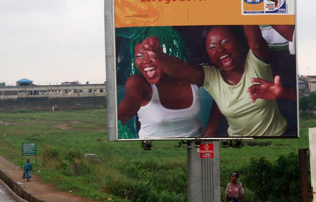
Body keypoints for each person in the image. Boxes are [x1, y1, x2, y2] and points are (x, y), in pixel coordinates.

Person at [137, 25, 296, 136]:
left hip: (277, 137)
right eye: (212, 47)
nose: (220, 50)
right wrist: (158, 55)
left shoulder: (255, 62)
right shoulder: (211, 77)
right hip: (239, 145)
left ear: (239, 44)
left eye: (225, 42)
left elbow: (256, 42)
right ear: (208, 55)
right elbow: (180, 71)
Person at [117, 26, 204, 138]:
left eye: (152, 53)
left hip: (196, 148)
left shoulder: (191, 76)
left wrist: (210, 134)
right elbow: (128, 104)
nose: (145, 61)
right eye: (139, 56)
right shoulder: (138, 83)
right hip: (154, 151)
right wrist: (116, 121)